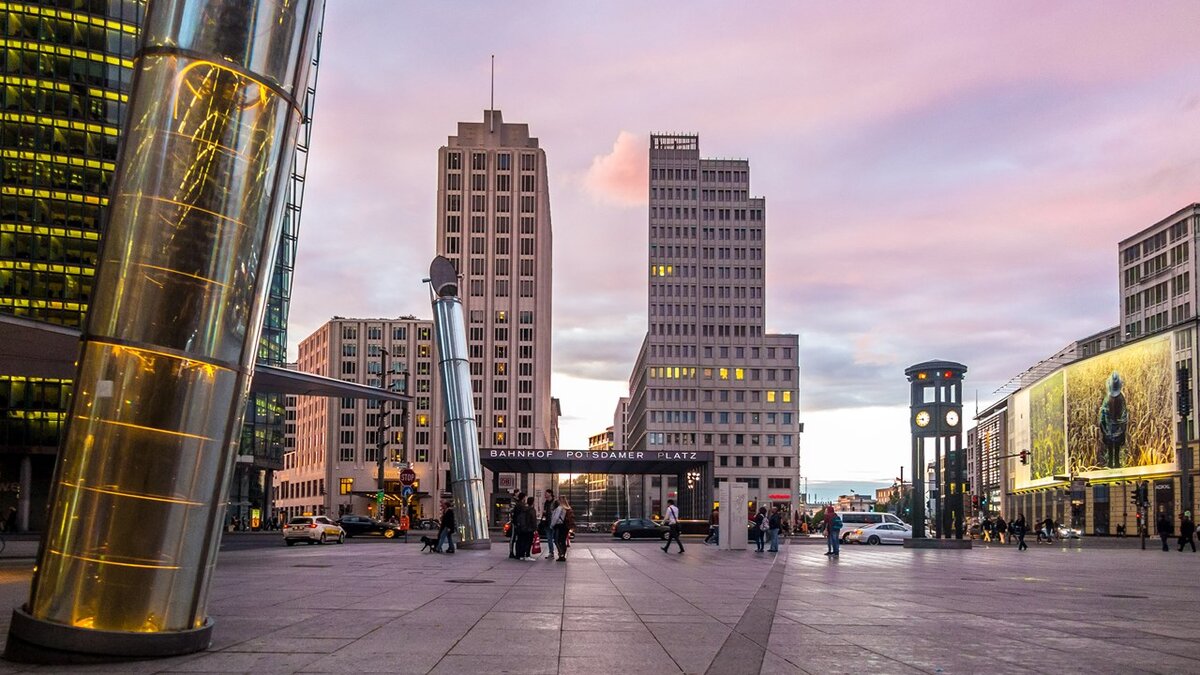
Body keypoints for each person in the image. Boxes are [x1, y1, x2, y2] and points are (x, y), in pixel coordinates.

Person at [514, 496, 537, 561]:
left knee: (522, 541)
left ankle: (521, 555)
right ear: (533, 502)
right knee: (529, 542)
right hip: (529, 529)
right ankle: (527, 555)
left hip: (523, 528)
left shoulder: (523, 509)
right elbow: (533, 520)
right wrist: (535, 528)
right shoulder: (532, 510)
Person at [508, 491, 525, 559]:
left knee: (516, 538)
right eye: (517, 493)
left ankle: (514, 552)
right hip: (515, 522)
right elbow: (512, 512)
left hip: (516, 522)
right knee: (513, 537)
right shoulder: (515, 502)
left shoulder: (518, 503)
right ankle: (511, 552)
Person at [541, 489, 557, 560]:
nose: (545, 494)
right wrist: (543, 521)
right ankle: (551, 553)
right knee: (549, 539)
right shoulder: (546, 503)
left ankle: (560, 553)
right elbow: (544, 513)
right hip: (547, 523)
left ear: (550, 494)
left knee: (556, 539)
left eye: (546, 493)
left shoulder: (555, 502)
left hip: (554, 523)